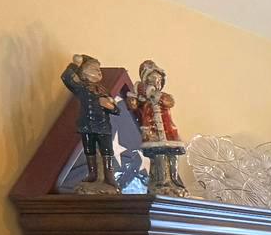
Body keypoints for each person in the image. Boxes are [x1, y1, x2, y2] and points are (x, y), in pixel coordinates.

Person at [61, 54, 125, 192]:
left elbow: (116, 110)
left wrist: (109, 105)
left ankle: (109, 176)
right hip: (87, 125)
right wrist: (75, 65)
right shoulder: (81, 88)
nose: (98, 72)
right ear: (84, 73)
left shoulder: (103, 90)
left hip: (103, 126)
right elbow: (67, 77)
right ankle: (92, 174)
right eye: (94, 69)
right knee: (89, 150)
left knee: (106, 150)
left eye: (99, 69)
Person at [124, 59, 188, 195]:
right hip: (152, 131)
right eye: (153, 79)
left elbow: (169, 102)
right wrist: (133, 98)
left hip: (168, 131)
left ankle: (174, 181)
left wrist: (154, 95)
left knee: (172, 155)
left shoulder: (162, 96)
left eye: (159, 80)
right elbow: (133, 107)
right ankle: (161, 181)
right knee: (159, 156)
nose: (156, 82)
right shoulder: (144, 99)